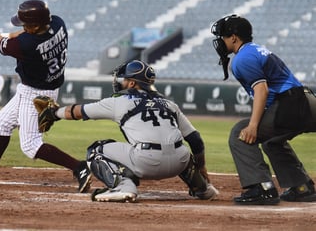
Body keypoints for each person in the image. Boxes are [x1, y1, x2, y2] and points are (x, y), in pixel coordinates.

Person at [0, 0, 92, 193]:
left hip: (36, 94)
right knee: (2, 123)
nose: (24, 27)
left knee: (30, 145)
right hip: (43, 87)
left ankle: (79, 167)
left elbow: (5, 42)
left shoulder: (26, 46)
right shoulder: (57, 23)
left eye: (27, 24)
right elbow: (17, 36)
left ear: (35, 24)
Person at [46, 59, 219, 202]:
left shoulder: (119, 102)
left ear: (132, 83)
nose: (120, 82)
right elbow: (195, 140)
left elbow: (76, 112)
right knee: (180, 149)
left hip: (146, 161)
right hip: (177, 163)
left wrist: (54, 113)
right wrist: (202, 167)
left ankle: (123, 186)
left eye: (123, 80)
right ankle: (202, 188)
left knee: (96, 150)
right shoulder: (169, 104)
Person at [211, 14, 316, 205]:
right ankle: (301, 187)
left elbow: (262, 90)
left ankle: (261, 188)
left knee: (240, 133)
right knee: (271, 141)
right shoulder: (256, 50)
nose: (220, 41)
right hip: (306, 101)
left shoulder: (242, 58)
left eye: (223, 36)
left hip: (290, 105)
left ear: (233, 37)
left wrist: (252, 125)